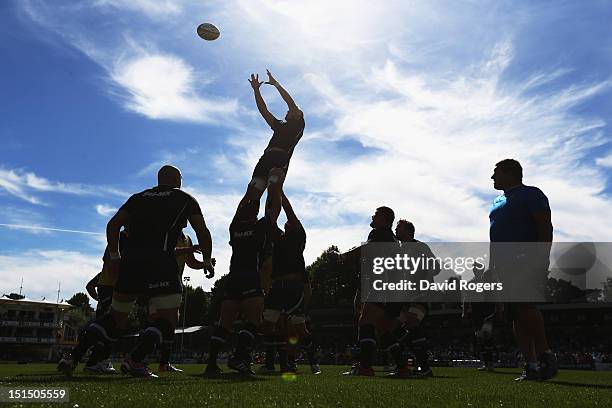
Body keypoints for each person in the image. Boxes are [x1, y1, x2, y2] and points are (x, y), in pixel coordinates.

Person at [58, 165, 214, 378]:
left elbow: (113, 225)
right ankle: (135, 360)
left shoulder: (137, 197)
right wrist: (207, 260)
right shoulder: (184, 198)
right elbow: (202, 231)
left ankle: (72, 357)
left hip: (130, 265)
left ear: (159, 179)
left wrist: (114, 256)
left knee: (115, 317)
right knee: (169, 319)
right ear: (177, 180)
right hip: (161, 262)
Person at [489, 159, 557, 381]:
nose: (492, 177)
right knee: (515, 315)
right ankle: (531, 364)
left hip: (526, 258)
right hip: (503, 265)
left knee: (524, 305)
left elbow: (544, 225)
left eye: (496, 173)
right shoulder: (497, 202)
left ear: (510, 173)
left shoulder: (531, 194)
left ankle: (546, 354)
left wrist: (541, 257)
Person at [203, 196, 268, 377]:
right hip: (250, 276)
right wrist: (274, 187)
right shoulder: (259, 226)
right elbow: (274, 210)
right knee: (253, 321)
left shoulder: (234, 228)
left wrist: (250, 193)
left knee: (224, 324)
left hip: (233, 278)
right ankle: (239, 357)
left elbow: (238, 211)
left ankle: (211, 365)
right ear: (256, 213)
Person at [260, 192, 317, 374]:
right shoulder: (278, 238)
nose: (288, 221)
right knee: (269, 325)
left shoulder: (299, 237)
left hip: (293, 287)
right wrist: (271, 195)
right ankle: (270, 363)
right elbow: (269, 218)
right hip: (277, 287)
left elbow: (289, 211)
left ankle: (311, 363)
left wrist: (280, 192)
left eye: (291, 221)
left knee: (298, 328)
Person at [244, 70, 305, 228]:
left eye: (293, 110)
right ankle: (247, 223)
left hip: (280, 158)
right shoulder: (279, 126)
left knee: (274, 187)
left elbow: (290, 102)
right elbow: (264, 111)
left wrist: (276, 84)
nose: (289, 110)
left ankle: (271, 224)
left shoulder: (298, 123)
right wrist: (256, 91)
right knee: (253, 191)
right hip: (265, 158)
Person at [343, 206, 397, 376]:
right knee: (381, 328)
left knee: (365, 321)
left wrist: (342, 256)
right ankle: (402, 365)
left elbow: (366, 250)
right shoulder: (389, 237)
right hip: (385, 284)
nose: (372, 216)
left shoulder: (380, 233)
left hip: (378, 282)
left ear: (384, 218)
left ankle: (365, 366)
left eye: (376, 214)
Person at [80, 229, 129, 374]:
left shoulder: (125, 239)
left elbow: (90, 286)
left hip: (110, 289)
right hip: (111, 288)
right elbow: (90, 285)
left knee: (109, 327)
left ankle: (94, 359)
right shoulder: (121, 239)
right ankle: (94, 360)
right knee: (110, 326)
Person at [156, 231, 205, 373]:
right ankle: (137, 359)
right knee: (159, 320)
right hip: (160, 279)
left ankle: (163, 363)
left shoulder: (186, 238)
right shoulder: (165, 231)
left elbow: (190, 262)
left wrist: (205, 264)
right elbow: (168, 251)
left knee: (170, 322)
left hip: (174, 283)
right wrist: (190, 249)